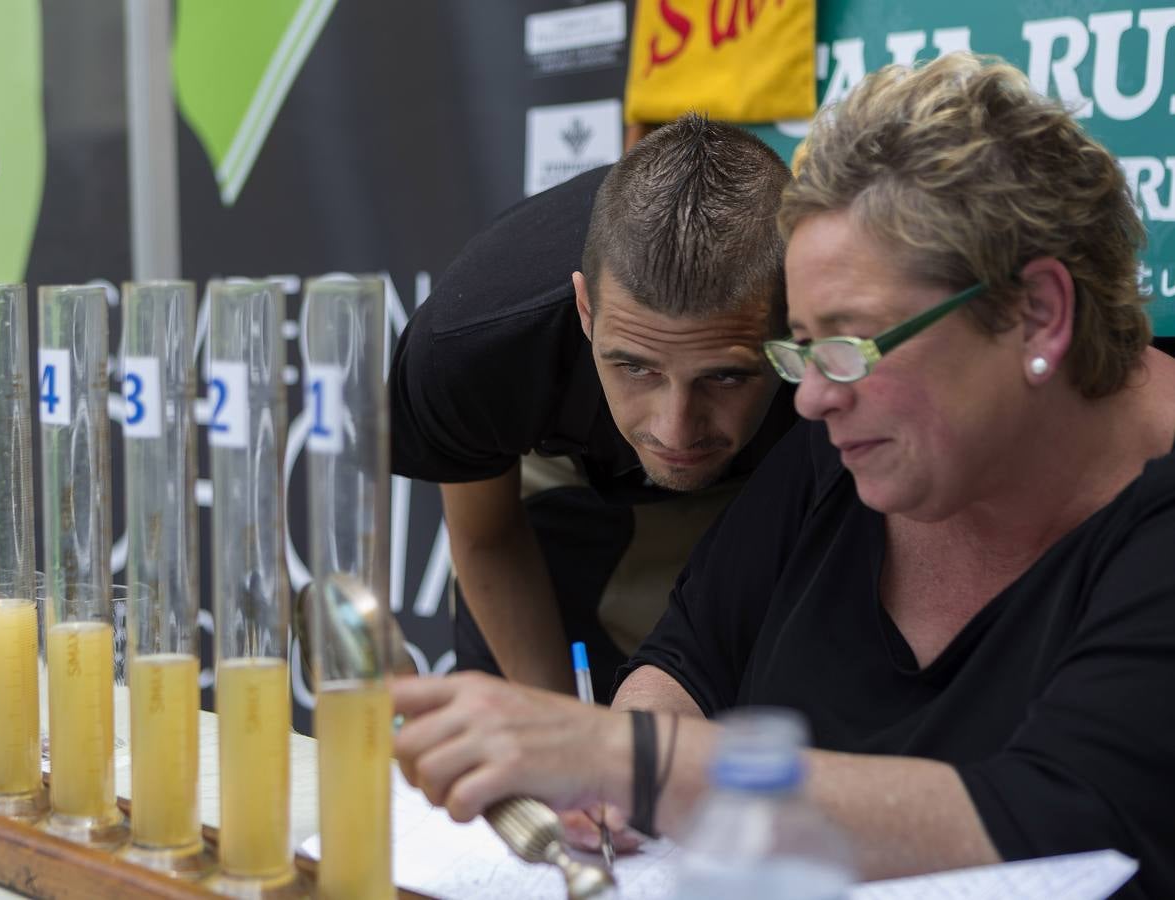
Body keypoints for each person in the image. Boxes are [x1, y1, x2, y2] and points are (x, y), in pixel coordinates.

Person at [391, 53, 1175, 898]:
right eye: (800, 349)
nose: (809, 401)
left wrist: (630, 759)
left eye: (852, 341)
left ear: (1039, 313)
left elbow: (1074, 820)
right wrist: (618, 765)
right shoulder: (853, 447)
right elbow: (694, 653)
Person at [390, 115, 795, 701]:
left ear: (798, 321)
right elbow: (487, 540)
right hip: (561, 473)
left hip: (770, 476)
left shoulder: (852, 330)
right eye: (635, 366)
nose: (673, 426)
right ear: (585, 308)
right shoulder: (476, 341)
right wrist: (558, 738)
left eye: (725, 375)